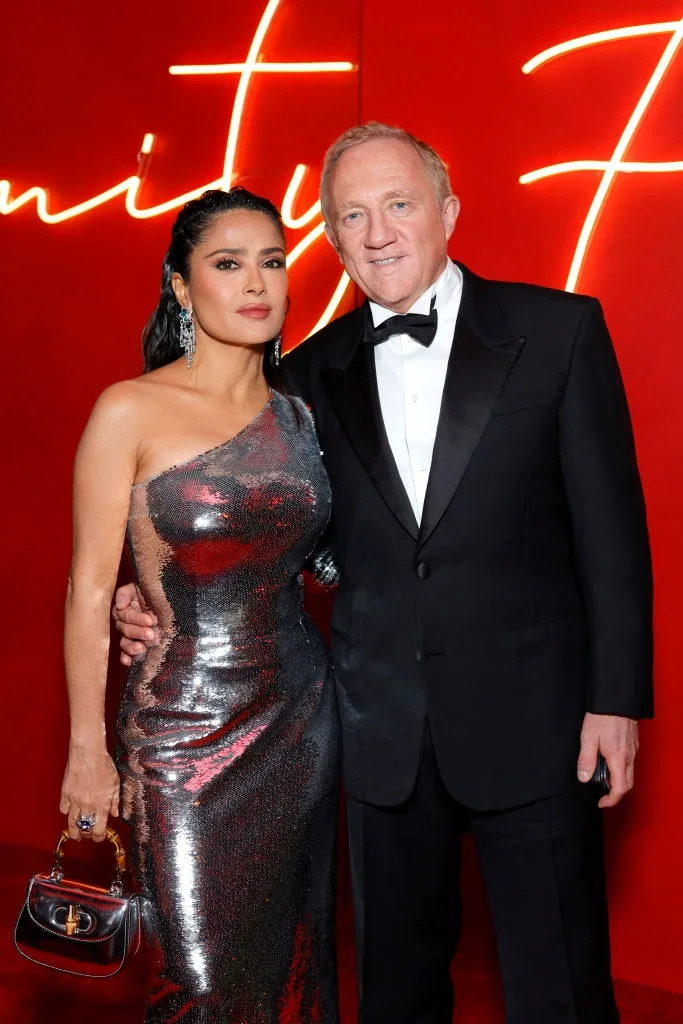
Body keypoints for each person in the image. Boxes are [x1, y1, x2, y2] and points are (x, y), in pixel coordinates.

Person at [115, 123, 653, 1024]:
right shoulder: (306, 373)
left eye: (398, 205)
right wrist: (160, 590)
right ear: (330, 236)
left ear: (446, 211)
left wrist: (616, 699)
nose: (377, 233)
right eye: (351, 215)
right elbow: (257, 517)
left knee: (560, 988)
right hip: (373, 739)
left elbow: (613, 533)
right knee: (395, 995)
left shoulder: (558, 330)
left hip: (541, 724)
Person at [60, 187, 340, 1023]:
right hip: (178, 734)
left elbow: (334, 562)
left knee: (292, 967)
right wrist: (86, 748)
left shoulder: (303, 414)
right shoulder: (130, 407)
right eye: (227, 264)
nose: (256, 284)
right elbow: (85, 585)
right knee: (200, 980)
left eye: (272, 262)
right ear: (181, 287)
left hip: (299, 722)